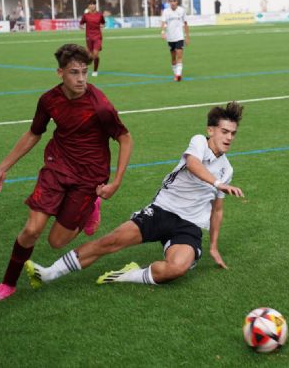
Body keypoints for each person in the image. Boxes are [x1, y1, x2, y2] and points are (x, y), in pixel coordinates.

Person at [25, 101, 245, 290]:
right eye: (224, 131)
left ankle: (129, 274)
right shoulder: (199, 142)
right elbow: (193, 163)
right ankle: (48, 273)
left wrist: (214, 246)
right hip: (161, 211)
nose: (229, 138)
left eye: (233, 133)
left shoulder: (227, 169)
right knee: (110, 242)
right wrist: (217, 183)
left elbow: (217, 210)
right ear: (210, 131)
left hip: (189, 225)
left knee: (177, 268)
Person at [0, 44, 133, 304]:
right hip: (57, 166)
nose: (81, 79)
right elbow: (34, 133)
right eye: (74, 72)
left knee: (57, 241)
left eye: (84, 72)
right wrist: (1, 169)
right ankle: (8, 284)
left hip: (90, 176)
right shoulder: (49, 100)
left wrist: (116, 181)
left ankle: (90, 207)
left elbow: (125, 138)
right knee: (31, 229)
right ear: (60, 73)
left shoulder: (100, 105)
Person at [160, 0, 189, 82]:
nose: (172, 3)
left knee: (179, 54)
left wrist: (187, 36)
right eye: (171, 1)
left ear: (177, 2)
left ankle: (178, 75)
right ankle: (175, 73)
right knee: (173, 58)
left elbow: (185, 23)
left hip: (180, 36)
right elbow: (164, 23)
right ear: (169, 2)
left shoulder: (182, 11)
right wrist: (163, 32)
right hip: (170, 37)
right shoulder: (166, 11)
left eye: (174, 1)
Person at [79, 0, 105, 77]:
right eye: (90, 4)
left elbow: (103, 23)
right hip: (89, 37)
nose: (92, 5)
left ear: (95, 5)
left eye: (93, 4)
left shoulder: (100, 15)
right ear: (88, 6)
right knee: (89, 56)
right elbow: (81, 23)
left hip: (97, 36)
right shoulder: (85, 15)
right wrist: (81, 26)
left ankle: (95, 71)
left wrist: (102, 26)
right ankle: (84, 70)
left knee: (95, 54)